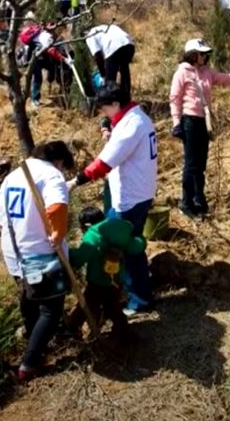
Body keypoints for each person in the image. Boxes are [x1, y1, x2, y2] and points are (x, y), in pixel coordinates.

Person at [68, 83, 157, 315]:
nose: (103, 113)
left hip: (130, 197)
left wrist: (75, 182)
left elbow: (104, 163)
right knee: (132, 246)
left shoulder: (131, 124)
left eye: (104, 108)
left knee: (121, 250)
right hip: (139, 193)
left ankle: (134, 300)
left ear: (116, 104)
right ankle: (137, 295)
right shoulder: (137, 118)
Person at [0, 141, 75, 381]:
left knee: (29, 298)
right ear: (59, 161)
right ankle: (30, 363)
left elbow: (0, 218)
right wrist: (58, 234)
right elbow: (57, 206)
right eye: (63, 166)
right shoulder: (51, 175)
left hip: (14, 250)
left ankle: (32, 337)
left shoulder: (14, 175)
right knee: (51, 309)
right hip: (39, 253)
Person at [169, 39, 230, 217]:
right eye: (202, 53)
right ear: (193, 54)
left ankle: (200, 199)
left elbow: (228, 78)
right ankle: (187, 202)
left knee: (201, 164)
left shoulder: (206, 72)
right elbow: (175, 98)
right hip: (188, 121)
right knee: (191, 165)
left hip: (203, 122)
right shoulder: (181, 73)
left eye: (206, 53)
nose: (205, 56)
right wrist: (176, 123)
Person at [67, 206, 147, 338]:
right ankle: (123, 331)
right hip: (116, 280)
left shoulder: (93, 235)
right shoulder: (121, 231)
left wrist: (67, 254)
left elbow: (81, 257)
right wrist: (141, 241)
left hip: (97, 281)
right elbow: (135, 246)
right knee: (112, 307)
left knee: (85, 305)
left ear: (86, 225)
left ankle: (72, 328)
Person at [85, 23, 135, 103]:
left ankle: (111, 104)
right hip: (129, 45)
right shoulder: (109, 26)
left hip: (113, 48)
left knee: (109, 82)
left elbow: (97, 56)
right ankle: (126, 99)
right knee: (124, 70)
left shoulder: (90, 34)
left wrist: (103, 75)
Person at [30, 23, 73, 108]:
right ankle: (35, 99)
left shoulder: (52, 36)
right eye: (51, 29)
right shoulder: (46, 37)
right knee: (38, 78)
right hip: (35, 59)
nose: (54, 31)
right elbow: (51, 51)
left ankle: (51, 83)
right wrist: (65, 59)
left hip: (43, 57)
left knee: (53, 68)